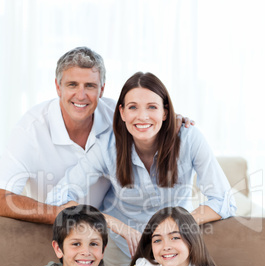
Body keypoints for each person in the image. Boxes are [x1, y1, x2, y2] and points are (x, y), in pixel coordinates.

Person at [46, 72, 236, 266]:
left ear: (165, 112)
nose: (142, 116)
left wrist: (176, 225)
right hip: (122, 247)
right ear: (122, 112)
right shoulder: (107, 146)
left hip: (172, 246)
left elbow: (224, 200)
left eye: (152, 107)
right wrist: (115, 224)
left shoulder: (189, 139)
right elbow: (57, 197)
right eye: (133, 107)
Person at [0, 47, 190, 224]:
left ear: (102, 89)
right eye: (72, 85)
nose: (81, 95)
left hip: (110, 230)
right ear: (58, 87)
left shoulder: (118, 117)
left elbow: (148, 123)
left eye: (90, 86)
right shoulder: (30, 130)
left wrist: (171, 123)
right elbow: (2, 197)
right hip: (53, 228)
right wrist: (56, 213)